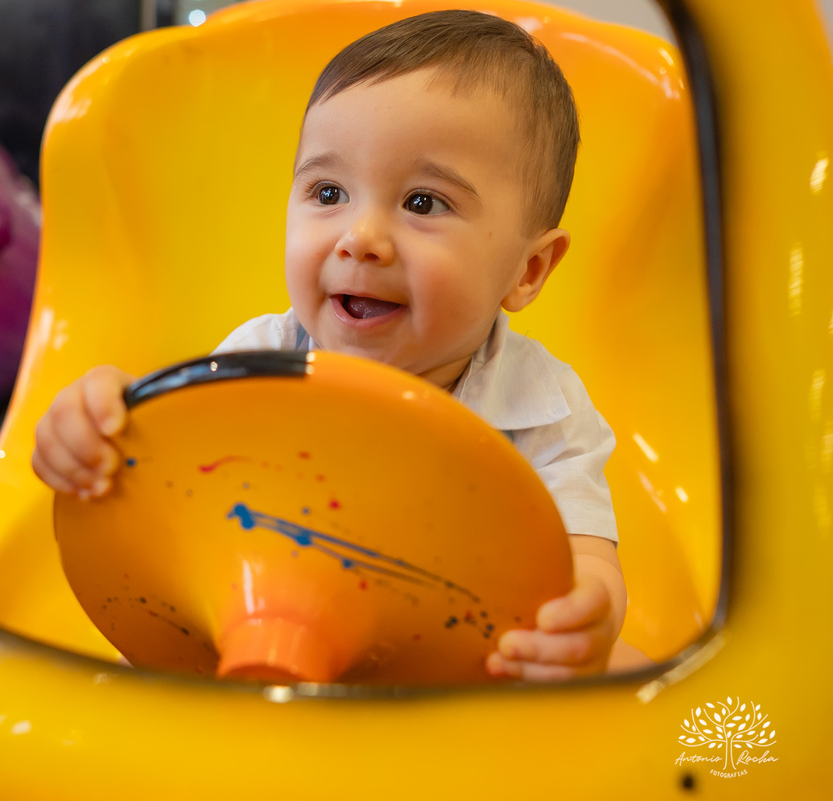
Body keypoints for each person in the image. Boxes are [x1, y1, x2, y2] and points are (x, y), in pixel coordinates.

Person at [31, 10, 633, 681]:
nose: (361, 237)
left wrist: (590, 613)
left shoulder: (542, 409)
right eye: (328, 192)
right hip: (253, 630)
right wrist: (101, 416)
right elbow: (171, 464)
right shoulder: (258, 359)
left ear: (528, 271)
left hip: (445, 676)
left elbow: (587, 557)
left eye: (423, 203)